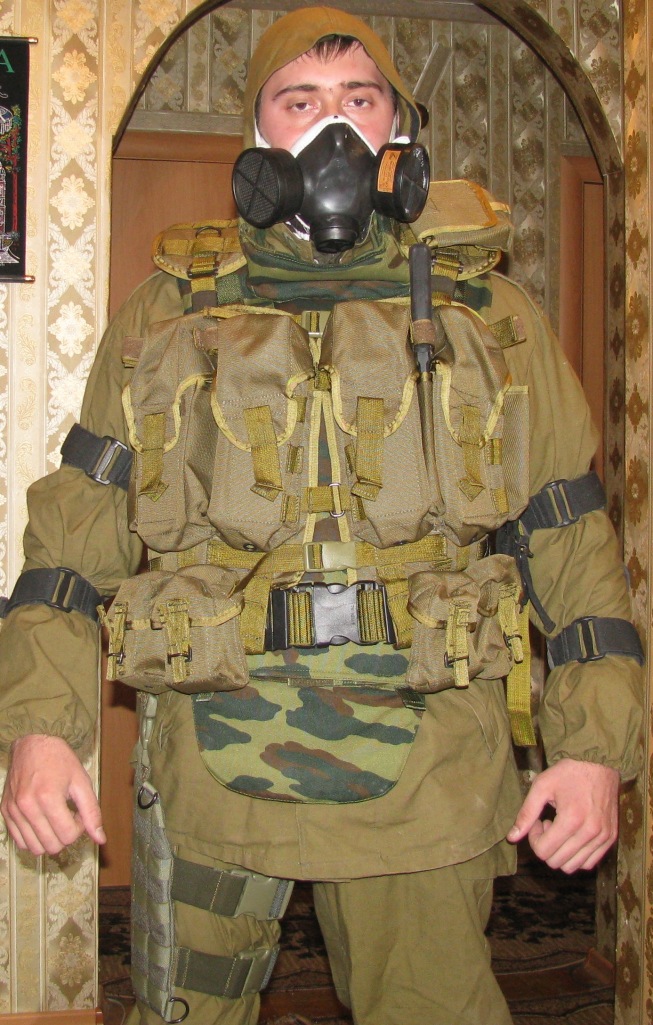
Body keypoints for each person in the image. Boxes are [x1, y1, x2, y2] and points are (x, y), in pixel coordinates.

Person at [0, 7, 644, 1025]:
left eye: (359, 100)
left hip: (428, 762)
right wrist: (41, 727)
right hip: (214, 752)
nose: (332, 129)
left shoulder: (488, 316)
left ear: (399, 128)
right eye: (299, 103)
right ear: (257, 137)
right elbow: (73, 543)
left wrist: (595, 743)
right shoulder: (170, 313)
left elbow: (567, 542)